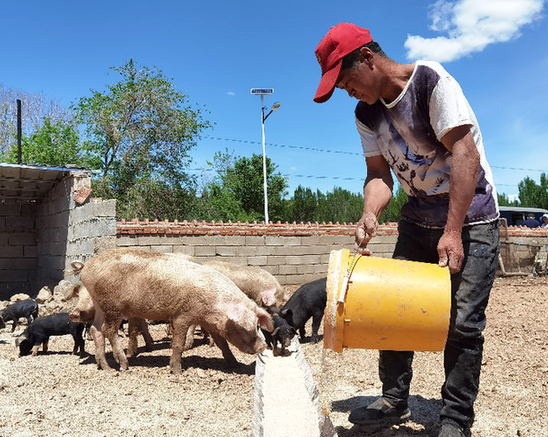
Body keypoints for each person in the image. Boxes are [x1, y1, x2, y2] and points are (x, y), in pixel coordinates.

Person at [313, 23, 500, 437]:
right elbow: (379, 175)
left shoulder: (429, 82)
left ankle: (454, 419)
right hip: (417, 218)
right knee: (391, 305)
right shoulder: (366, 114)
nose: (348, 92)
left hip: (471, 218)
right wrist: (369, 214)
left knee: (464, 323)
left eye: (346, 82)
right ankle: (394, 399)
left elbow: (465, 154)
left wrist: (453, 231)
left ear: (367, 58)